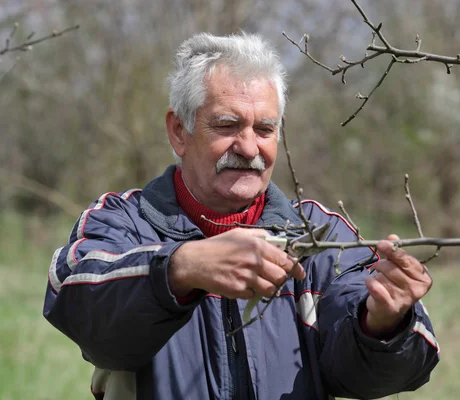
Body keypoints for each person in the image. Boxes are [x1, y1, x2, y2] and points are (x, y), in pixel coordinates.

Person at [43, 32, 439, 400]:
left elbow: (368, 375)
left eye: (264, 129)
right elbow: (81, 307)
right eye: (227, 125)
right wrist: (179, 269)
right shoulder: (122, 221)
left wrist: (384, 323)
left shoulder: (317, 236)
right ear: (179, 131)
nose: (249, 147)